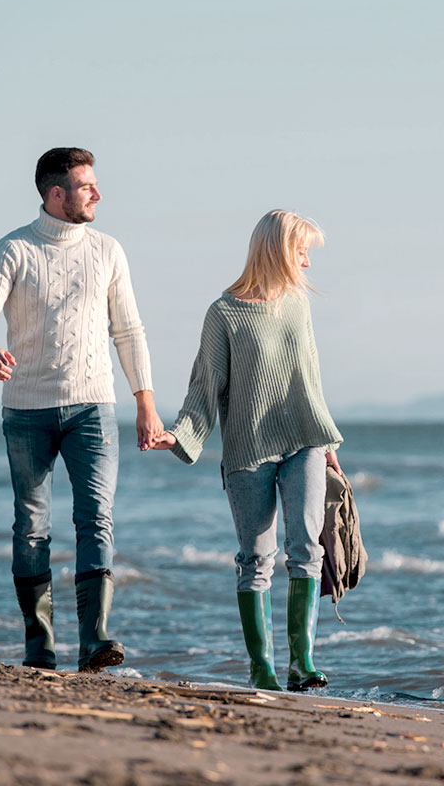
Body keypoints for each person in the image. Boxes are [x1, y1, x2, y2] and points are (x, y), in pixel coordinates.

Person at [0, 147, 162, 672]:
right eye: (86, 185)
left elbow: (129, 330)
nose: (97, 193)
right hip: (26, 410)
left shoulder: (108, 250)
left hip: (93, 407)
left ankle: (95, 640)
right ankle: (40, 644)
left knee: (97, 518)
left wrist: (146, 402)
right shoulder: (14, 249)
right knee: (31, 525)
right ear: (57, 193)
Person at [151, 209, 343, 692]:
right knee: (256, 557)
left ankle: (303, 663)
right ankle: (262, 668)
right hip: (248, 449)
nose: (307, 262)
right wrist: (181, 434)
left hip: (305, 441)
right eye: (302, 251)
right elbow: (206, 383)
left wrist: (330, 444)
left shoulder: (299, 306)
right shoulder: (224, 313)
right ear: (278, 250)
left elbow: (311, 380)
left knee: (306, 549)